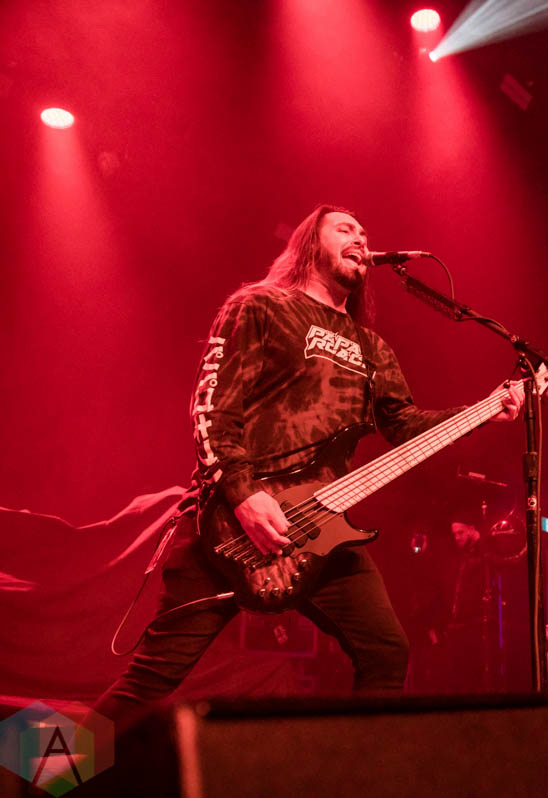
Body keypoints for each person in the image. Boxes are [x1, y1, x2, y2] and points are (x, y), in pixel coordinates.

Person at [91, 204, 524, 729]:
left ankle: (348, 770)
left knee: (387, 653)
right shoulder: (260, 305)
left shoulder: (372, 348)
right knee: (149, 679)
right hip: (232, 524)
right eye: (345, 228)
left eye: (364, 232)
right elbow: (211, 407)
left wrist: (485, 410)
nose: (360, 238)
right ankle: (28, 764)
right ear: (309, 244)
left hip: (321, 527)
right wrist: (243, 495)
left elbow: (405, 426)